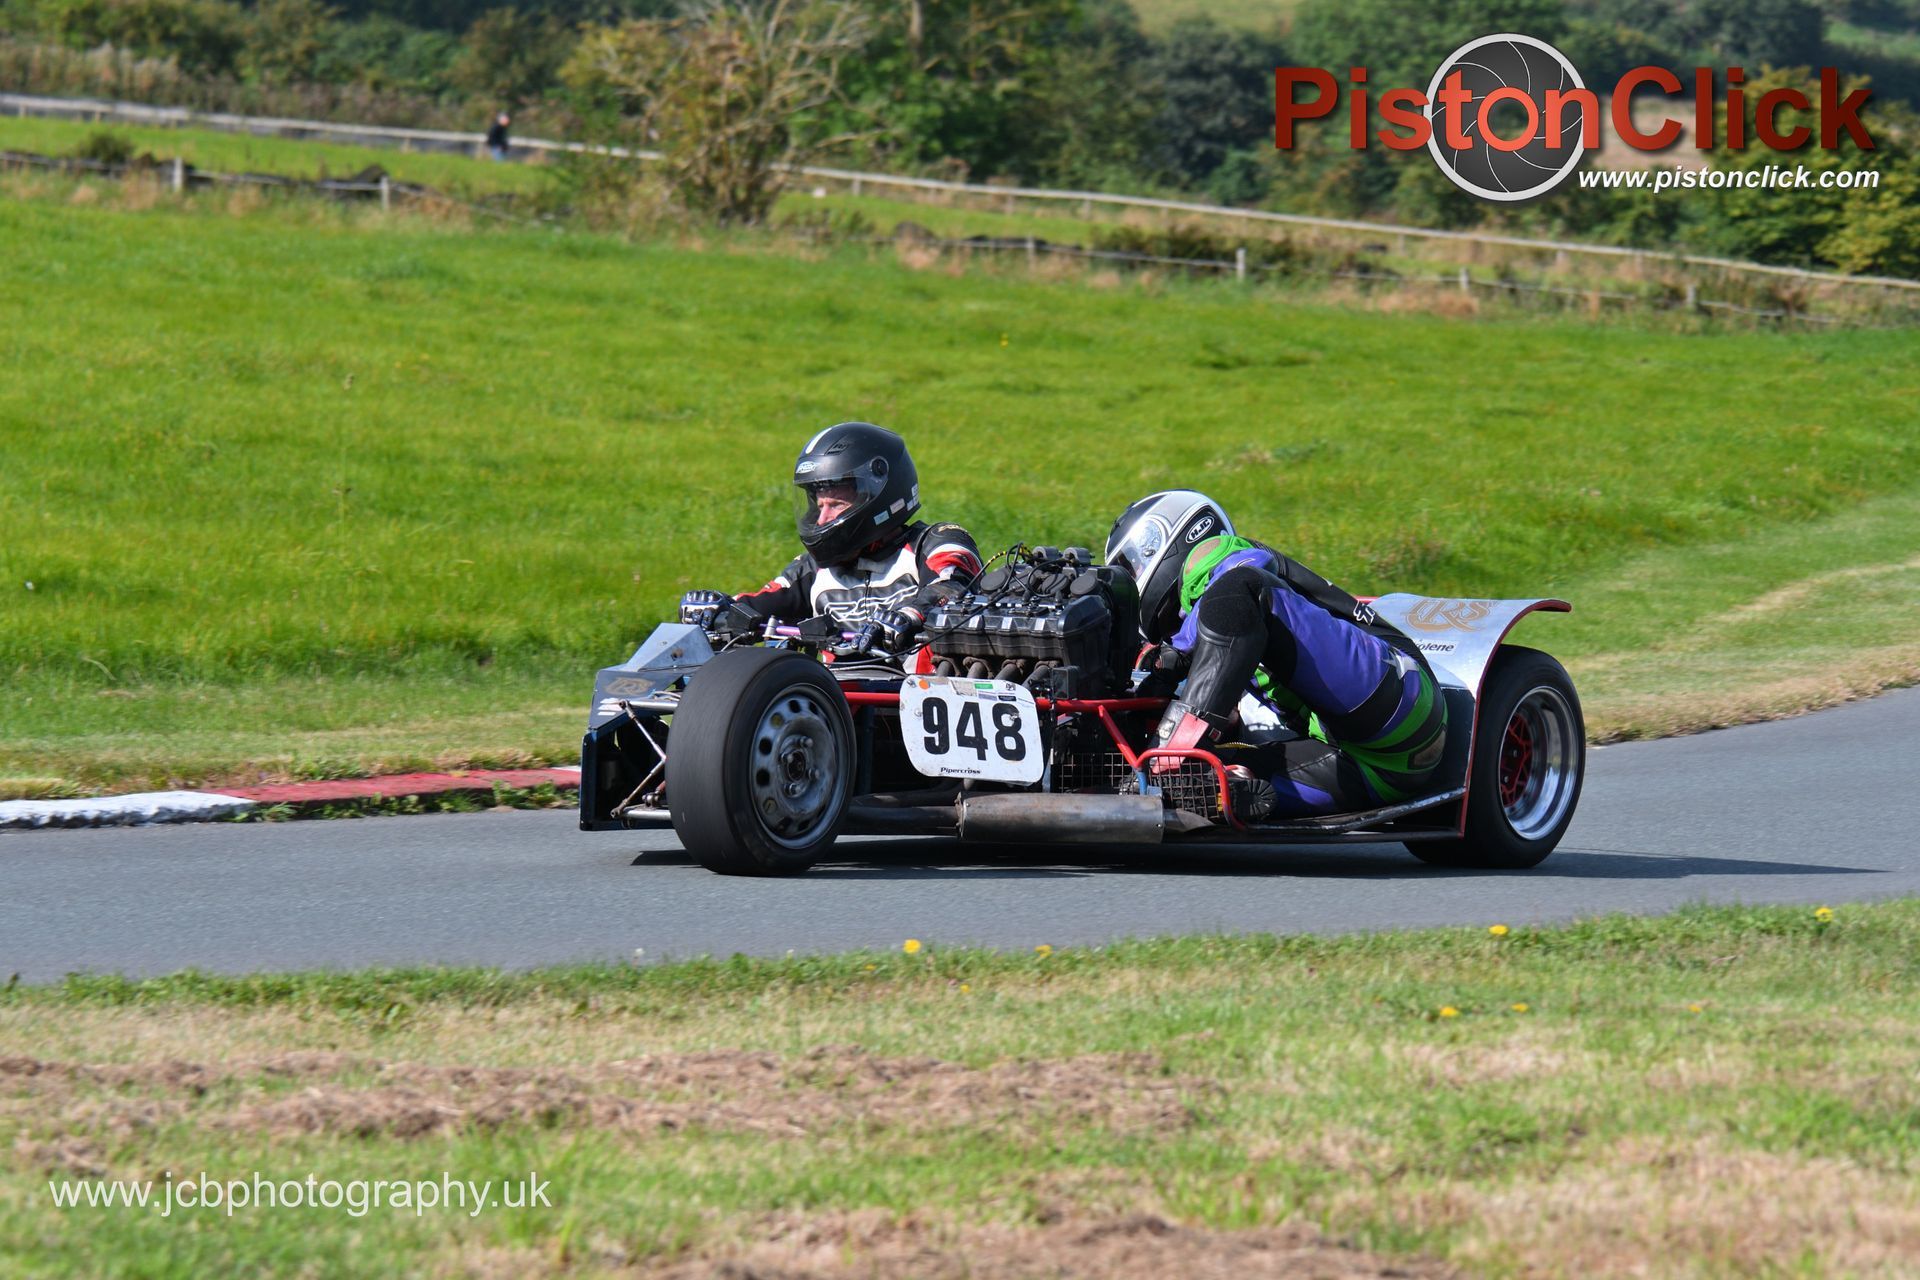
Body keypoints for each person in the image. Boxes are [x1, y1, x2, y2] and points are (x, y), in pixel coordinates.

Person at [1104, 490, 1446, 820]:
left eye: (1128, 565)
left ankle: (1169, 757)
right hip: (1375, 775)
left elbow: (1243, 575)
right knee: (1206, 778)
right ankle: (1210, 790)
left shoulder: (1220, 554)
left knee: (1239, 591)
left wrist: (1174, 655)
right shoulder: (1217, 642)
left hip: (1399, 694)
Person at [678, 422, 982, 657]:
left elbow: (953, 586)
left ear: (880, 498)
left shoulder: (936, 542)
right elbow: (762, 603)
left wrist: (909, 615)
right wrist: (721, 609)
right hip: (834, 707)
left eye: (835, 505)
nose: (822, 520)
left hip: (916, 698)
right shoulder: (812, 570)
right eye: (819, 506)